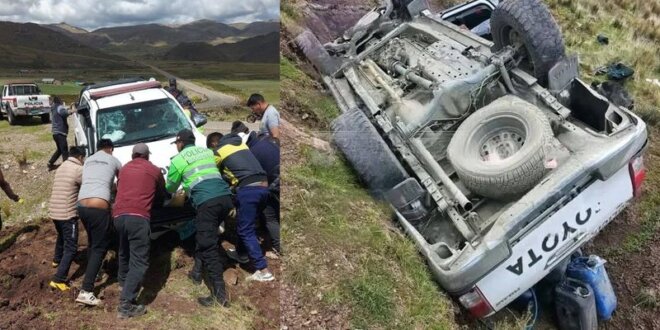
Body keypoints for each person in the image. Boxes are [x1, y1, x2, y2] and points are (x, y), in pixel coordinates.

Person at [166, 129, 233, 306]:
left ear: (180, 143)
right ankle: (196, 273)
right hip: (226, 199)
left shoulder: (178, 159)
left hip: (207, 201)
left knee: (208, 245)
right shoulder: (207, 152)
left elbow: (171, 188)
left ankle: (220, 295)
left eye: (177, 144)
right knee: (205, 236)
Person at [113, 143, 166, 319]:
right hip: (139, 217)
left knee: (124, 250)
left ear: (133, 155)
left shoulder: (125, 168)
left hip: (119, 216)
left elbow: (119, 188)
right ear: (147, 156)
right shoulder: (154, 170)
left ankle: (123, 282)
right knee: (140, 261)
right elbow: (161, 194)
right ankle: (126, 304)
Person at [214, 131, 274, 282]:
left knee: (246, 229)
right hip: (265, 187)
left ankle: (263, 271)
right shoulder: (242, 145)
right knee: (246, 224)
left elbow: (212, 171)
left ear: (214, 143)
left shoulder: (219, 151)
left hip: (249, 190)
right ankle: (242, 254)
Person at [75, 139, 122, 306]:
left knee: (93, 241)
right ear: (110, 148)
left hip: (82, 205)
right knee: (99, 247)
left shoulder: (88, 160)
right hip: (98, 205)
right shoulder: (114, 160)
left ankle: (94, 273)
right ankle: (86, 291)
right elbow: (122, 183)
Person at [231, 122, 281, 254]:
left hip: (276, 181)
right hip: (279, 176)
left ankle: (279, 247)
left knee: (269, 215)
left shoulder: (252, 152)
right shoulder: (265, 140)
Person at [48, 146, 86, 291]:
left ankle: (56, 260)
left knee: (61, 235)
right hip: (67, 213)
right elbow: (88, 185)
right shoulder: (79, 170)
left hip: (54, 211)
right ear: (81, 157)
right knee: (71, 247)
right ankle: (59, 279)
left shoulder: (62, 166)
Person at [48, 96, 74, 171]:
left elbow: (62, 112)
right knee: (64, 150)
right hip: (60, 132)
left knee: (59, 149)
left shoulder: (53, 108)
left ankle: (50, 163)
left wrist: (70, 107)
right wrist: (72, 111)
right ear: (59, 101)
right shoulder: (59, 107)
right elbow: (64, 113)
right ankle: (66, 167)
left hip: (55, 133)